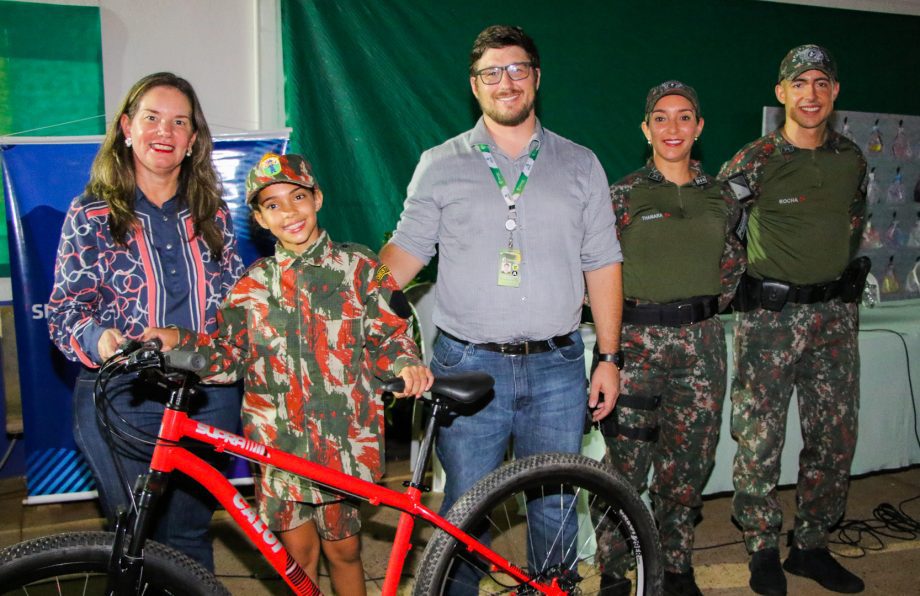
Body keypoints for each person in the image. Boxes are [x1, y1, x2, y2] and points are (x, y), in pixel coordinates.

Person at [379, 24, 623, 582]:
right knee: (465, 509)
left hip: (559, 366)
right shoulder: (439, 163)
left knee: (557, 504)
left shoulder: (581, 164)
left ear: (536, 77)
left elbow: (603, 263)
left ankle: (551, 591)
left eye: (517, 69)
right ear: (474, 85)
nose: (505, 82)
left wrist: (608, 357)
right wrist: (344, 298)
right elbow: (404, 255)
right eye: (492, 72)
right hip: (468, 366)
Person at [145, 153, 433, 593]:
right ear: (260, 218)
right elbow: (229, 355)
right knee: (297, 560)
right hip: (278, 450)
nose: (289, 212)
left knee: (345, 552)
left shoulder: (361, 270)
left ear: (317, 198)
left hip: (343, 446)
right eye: (273, 205)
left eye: (297, 197)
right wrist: (178, 342)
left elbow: (388, 337)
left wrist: (404, 363)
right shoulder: (252, 285)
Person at [46, 72, 244, 570]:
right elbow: (65, 311)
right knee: (138, 540)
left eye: (180, 122)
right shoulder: (90, 214)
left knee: (191, 533)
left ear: (193, 141)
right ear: (127, 128)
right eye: (152, 118)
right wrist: (101, 338)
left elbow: (238, 306)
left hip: (206, 395)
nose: (165, 131)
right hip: (124, 397)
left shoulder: (213, 214)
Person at [719, 45, 867, 595]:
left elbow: (852, 222)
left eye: (822, 82)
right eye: (799, 83)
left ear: (834, 92)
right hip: (771, 321)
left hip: (834, 317)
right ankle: (760, 547)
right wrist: (749, 287)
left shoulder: (852, 158)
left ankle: (811, 545)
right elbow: (723, 229)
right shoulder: (754, 159)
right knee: (760, 436)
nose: (811, 94)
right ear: (781, 92)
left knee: (834, 435)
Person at [596, 81, 745, 596]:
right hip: (635, 345)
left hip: (701, 346)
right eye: (661, 118)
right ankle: (615, 572)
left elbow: (732, 268)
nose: (673, 128)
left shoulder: (722, 196)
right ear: (646, 128)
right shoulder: (622, 195)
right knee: (625, 467)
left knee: (688, 465)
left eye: (685, 118)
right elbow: (597, 270)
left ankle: (676, 566)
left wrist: (693, 310)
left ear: (699, 127)